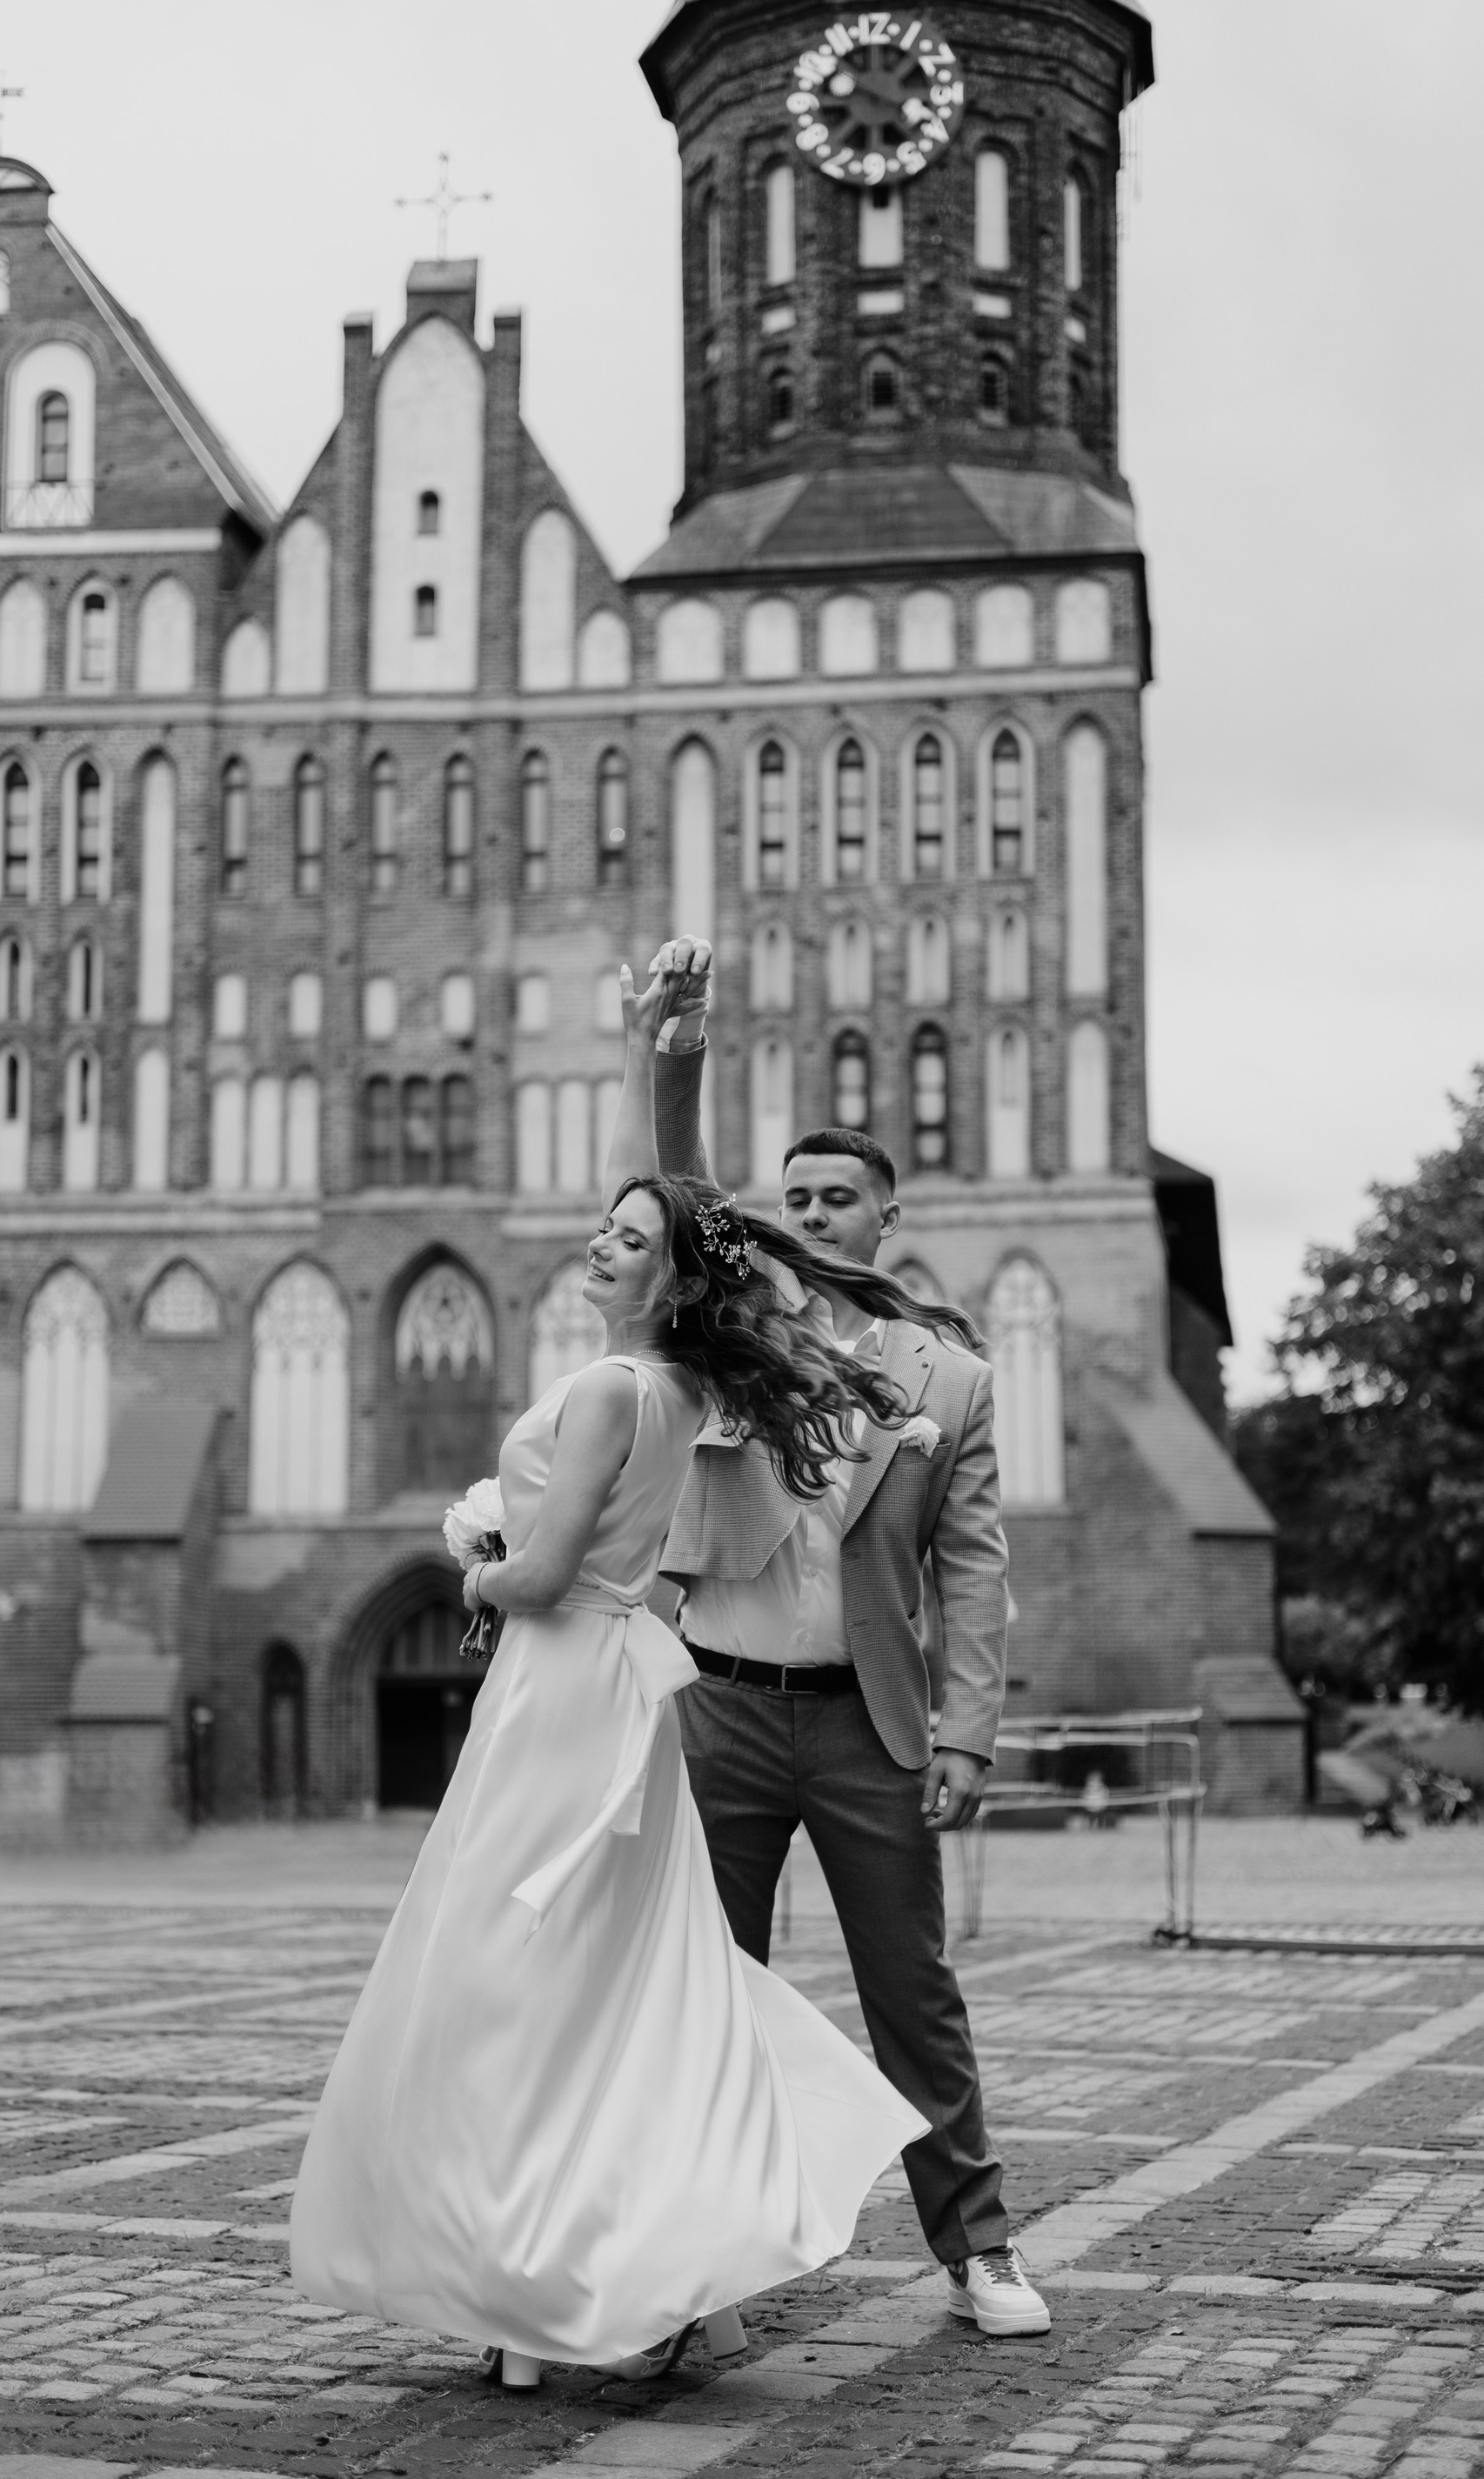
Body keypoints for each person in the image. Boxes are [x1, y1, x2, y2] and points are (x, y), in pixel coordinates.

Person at [290, 958, 957, 2389]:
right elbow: (696, 1228)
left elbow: (540, 1578)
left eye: (626, 1237)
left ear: (669, 1273)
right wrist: (669, 1055)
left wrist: (475, 1565)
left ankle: (536, 2277)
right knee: (626, 1983)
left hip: (565, 1690)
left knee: (516, 1978)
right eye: (602, 1227)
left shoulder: (614, 1386)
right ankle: (651, 2275)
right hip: (627, 1692)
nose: (600, 1244)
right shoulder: (689, 1385)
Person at [639, 935, 1050, 2339]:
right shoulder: (736, 1322)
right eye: (796, 1197)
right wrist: (679, 1046)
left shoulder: (955, 1379)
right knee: (706, 1996)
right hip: (722, 1709)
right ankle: (694, 2269)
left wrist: (966, 1732)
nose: (812, 1213)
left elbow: (975, 1570)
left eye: (837, 1199)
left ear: (886, 1218)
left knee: (913, 1995)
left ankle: (979, 2250)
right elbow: (684, 1188)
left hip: (869, 1720)